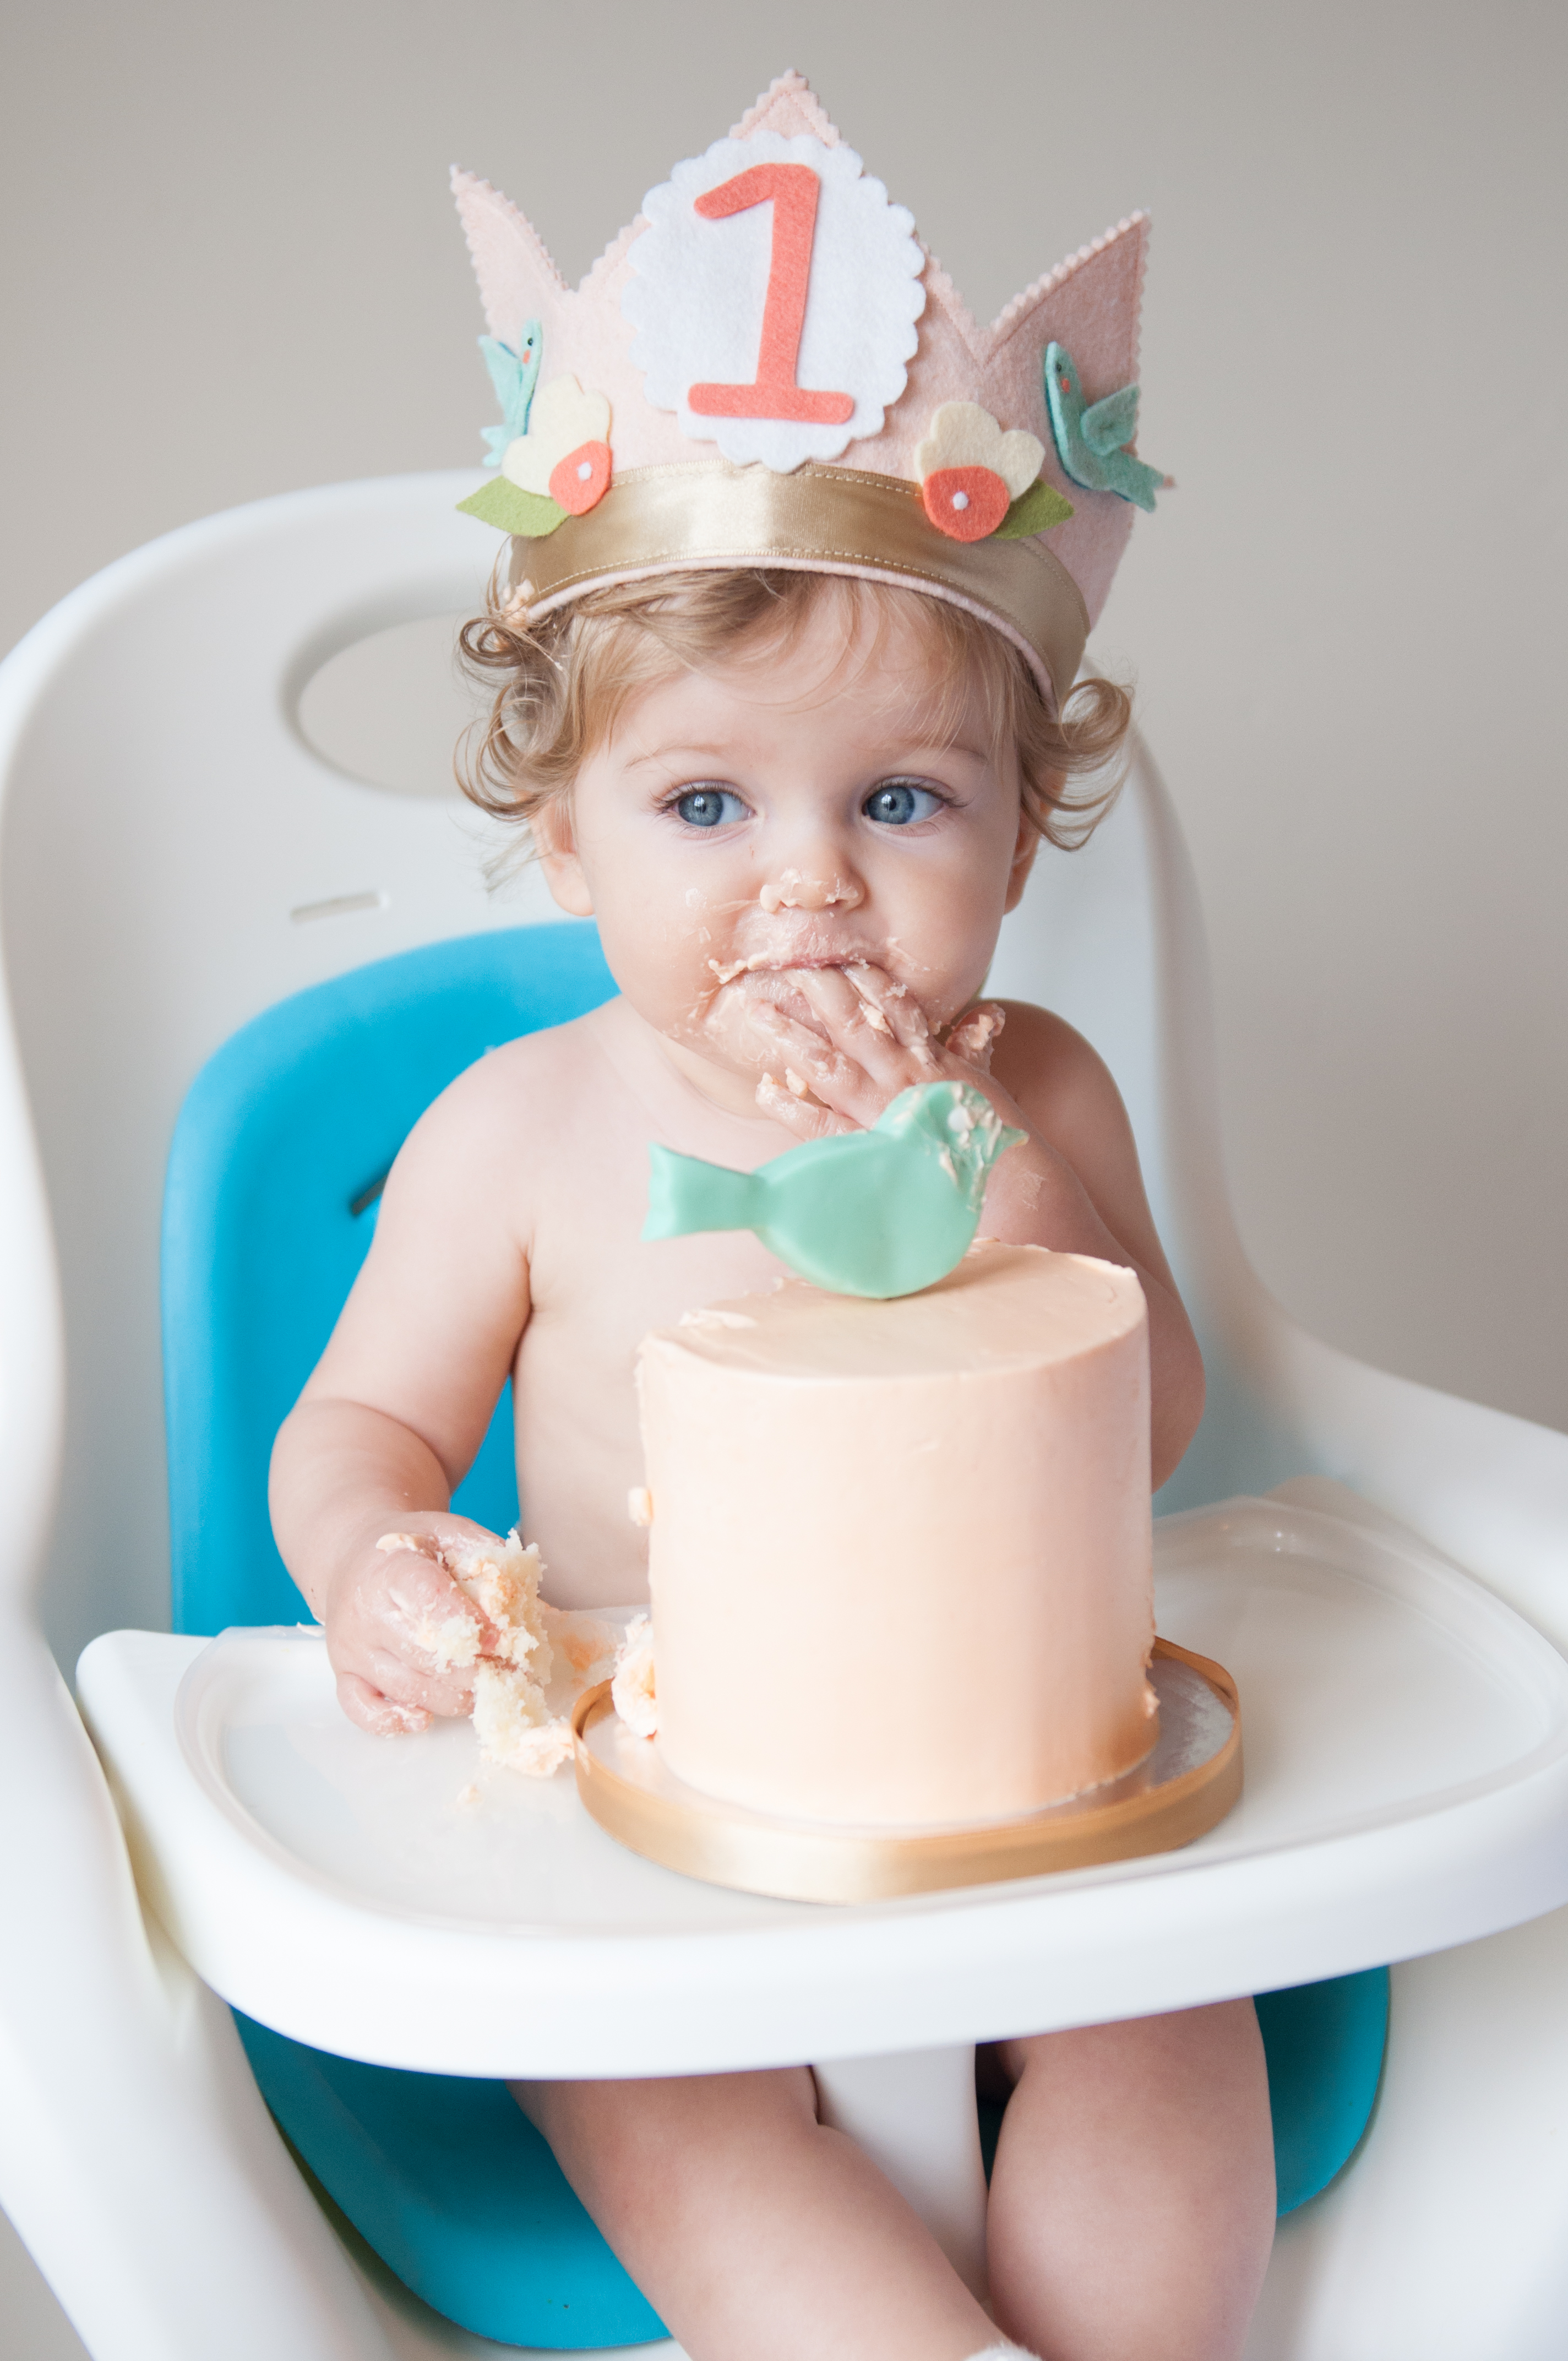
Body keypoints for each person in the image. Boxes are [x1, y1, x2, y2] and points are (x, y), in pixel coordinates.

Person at [270, 75, 1276, 2361]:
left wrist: (964, 1159)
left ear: (1021, 841)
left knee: (1160, 2025)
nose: (806, 879)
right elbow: (359, 1431)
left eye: (902, 798)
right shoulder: (516, 1131)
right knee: (678, 2117)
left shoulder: (1031, 1087)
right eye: (704, 797)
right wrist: (368, 1560)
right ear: (567, 845)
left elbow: (1154, 1420)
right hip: (641, 1798)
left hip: (1020, 1766)